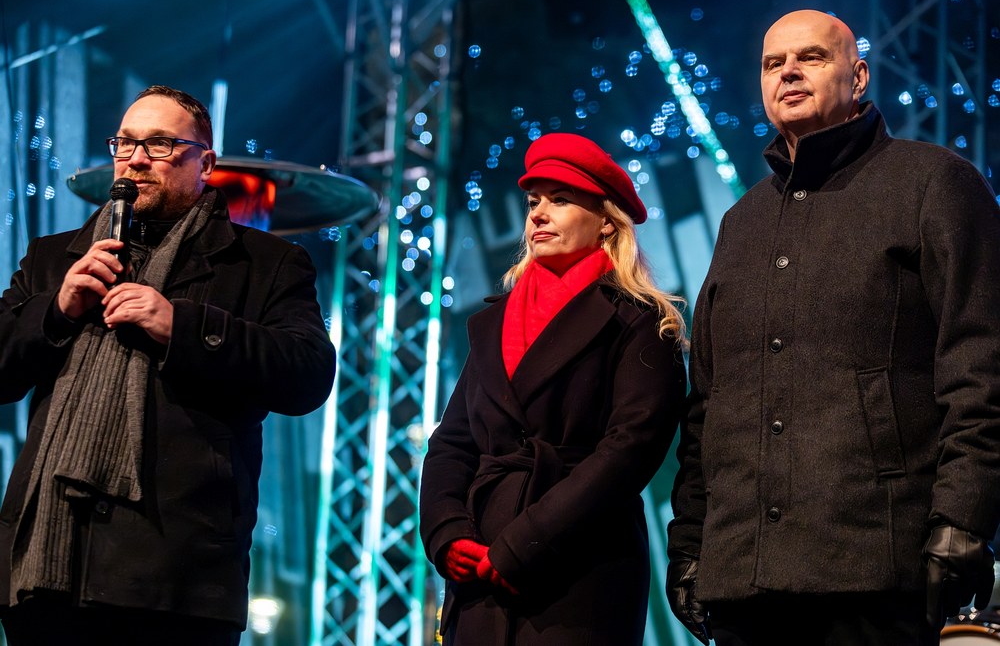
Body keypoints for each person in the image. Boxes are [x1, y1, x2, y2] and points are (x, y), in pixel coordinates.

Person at [667, 9, 1000, 645]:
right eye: (773, 63)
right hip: (743, 582)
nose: (789, 72)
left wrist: (964, 514)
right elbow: (710, 403)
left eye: (812, 57)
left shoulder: (933, 183)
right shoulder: (742, 222)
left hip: (876, 570)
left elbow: (982, 365)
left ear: (859, 76)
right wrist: (690, 542)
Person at [0, 85, 336, 644]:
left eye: (159, 144)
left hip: (176, 577)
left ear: (204, 163)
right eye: (125, 144)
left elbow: (307, 375)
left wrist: (182, 327)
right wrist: (56, 310)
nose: (135, 159)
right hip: (44, 571)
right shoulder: (53, 258)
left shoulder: (264, 263)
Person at [419, 132, 687, 644]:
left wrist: (526, 543)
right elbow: (452, 441)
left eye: (560, 200)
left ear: (606, 219)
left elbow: (629, 450)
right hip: (479, 569)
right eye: (533, 202)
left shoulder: (641, 321)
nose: (539, 214)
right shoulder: (493, 324)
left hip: (576, 569)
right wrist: (446, 530)